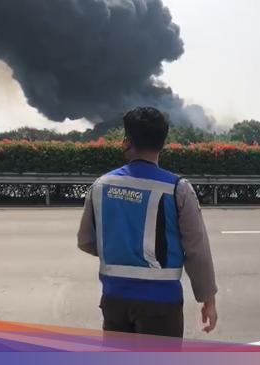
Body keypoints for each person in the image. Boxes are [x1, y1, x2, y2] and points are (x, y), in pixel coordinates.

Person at [77, 107, 218, 338]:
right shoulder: (178, 189)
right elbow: (197, 251)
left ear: (126, 141)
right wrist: (208, 300)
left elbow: (85, 241)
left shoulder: (101, 186)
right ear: (162, 143)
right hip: (161, 305)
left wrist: (121, 250)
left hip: (115, 300)